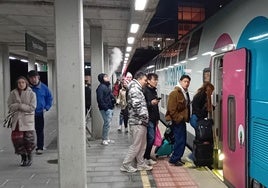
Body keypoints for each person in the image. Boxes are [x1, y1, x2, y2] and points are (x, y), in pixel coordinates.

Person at [120, 71, 152, 173]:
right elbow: (137, 105)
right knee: (136, 145)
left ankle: (141, 164)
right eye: (145, 80)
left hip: (139, 121)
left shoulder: (136, 88)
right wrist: (144, 117)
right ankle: (126, 164)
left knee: (142, 145)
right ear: (139, 79)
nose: (146, 82)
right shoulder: (135, 89)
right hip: (138, 122)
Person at [7, 76, 36, 166]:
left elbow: (32, 107)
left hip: (27, 120)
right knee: (17, 140)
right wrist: (19, 106)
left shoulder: (31, 94)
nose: (21, 84)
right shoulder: (13, 93)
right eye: (19, 82)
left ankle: (29, 156)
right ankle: (23, 156)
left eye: (23, 82)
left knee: (29, 140)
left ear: (26, 83)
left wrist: (20, 106)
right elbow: (10, 106)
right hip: (17, 121)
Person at [165, 75, 191, 166]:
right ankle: (174, 159)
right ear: (180, 81)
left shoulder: (185, 92)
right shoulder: (175, 93)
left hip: (181, 120)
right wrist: (178, 119)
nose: (187, 83)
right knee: (179, 140)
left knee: (182, 140)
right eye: (185, 81)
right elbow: (171, 109)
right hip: (177, 121)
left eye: (188, 82)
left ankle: (177, 158)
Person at [27, 70, 53, 155]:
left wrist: (46, 108)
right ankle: (28, 147)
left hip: (39, 113)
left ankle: (40, 147)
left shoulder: (44, 88)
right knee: (28, 131)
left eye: (35, 77)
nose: (33, 80)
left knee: (39, 131)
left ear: (38, 77)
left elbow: (49, 98)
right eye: (31, 78)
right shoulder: (27, 89)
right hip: (28, 114)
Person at [143, 73, 160, 165]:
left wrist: (158, 118)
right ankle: (146, 157)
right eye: (154, 80)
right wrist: (151, 103)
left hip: (154, 118)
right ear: (149, 81)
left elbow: (156, 107)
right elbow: (142, 105)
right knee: (151, 138)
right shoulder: (145, 91)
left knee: (151, 139)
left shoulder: (154, 90)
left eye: (157, 80)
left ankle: (147, 156)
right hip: (148, 118)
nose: (156, 82)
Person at [96, 73, 116, 145]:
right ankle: (104, 139)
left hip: (109, 107)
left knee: (108, 123)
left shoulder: (107, 86)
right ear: (102, 79)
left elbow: (109, 96)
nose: (107, 77)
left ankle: (106, 138)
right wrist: (106, 108)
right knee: (107, 123)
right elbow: (100, 99)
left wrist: (113, 101)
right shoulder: (101, 87)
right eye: (105, 77)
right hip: (105, 109)